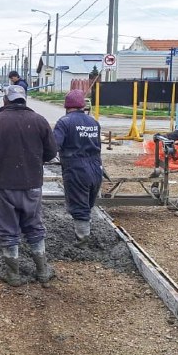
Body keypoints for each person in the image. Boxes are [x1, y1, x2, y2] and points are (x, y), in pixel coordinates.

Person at [0, 85, 58, 286]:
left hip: (4, 186)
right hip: (31, 184)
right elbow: (50, 153)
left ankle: (13, 274)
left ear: (5, 101)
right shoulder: (39, 121)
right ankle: (42, 271)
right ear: (24, 100)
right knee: (34, 226)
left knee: (8, 228)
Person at [53, 89, 102, 247]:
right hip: (96, 167)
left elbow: (54, 145)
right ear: (82, 105)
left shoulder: (64, 122)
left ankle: (82, 240)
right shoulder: (94, 122)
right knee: (88, 203)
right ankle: (87, 231)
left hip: (76, 169)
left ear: (67, 105)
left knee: (79, 205)